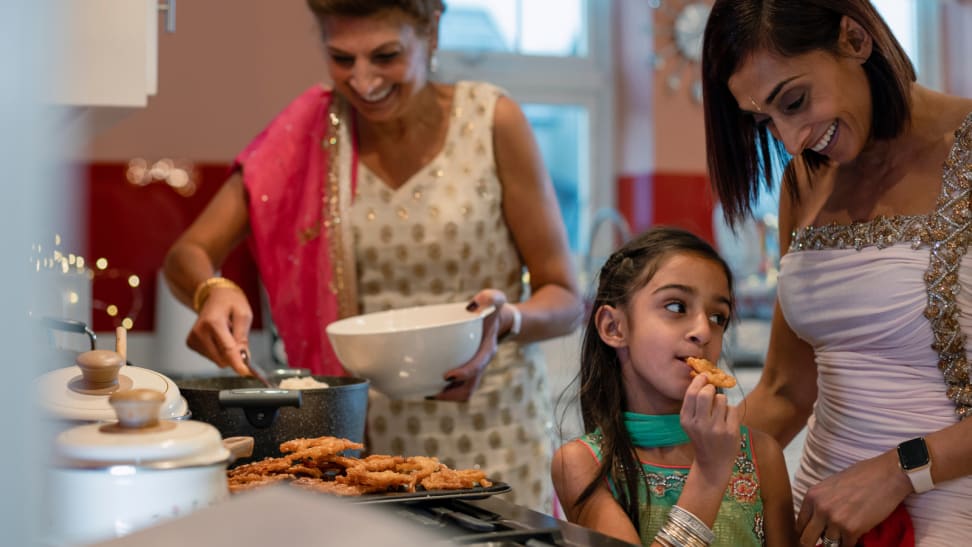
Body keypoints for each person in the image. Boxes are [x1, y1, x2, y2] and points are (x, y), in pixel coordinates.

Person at [162, 0, 583, 512]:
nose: (362, 80)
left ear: (430, 32)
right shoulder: (309, 132)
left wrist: (508, 319)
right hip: (360, 446)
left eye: (385, 55)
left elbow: (564, 297)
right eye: (342, 58)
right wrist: (213, 289)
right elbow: (187, 254)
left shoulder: (492, 121)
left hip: (496, 432)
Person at [701, 1, 972, 545]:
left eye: (795, 101)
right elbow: (784, 390)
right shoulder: (804, 182)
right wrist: (678, 470)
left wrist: (901, 469)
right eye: (765, 122)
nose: (790, 140)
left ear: (854, 39)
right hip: (816, 519)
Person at [551, 227, 797, 546]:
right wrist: (709, 475)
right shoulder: (582, 464)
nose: (703, 331)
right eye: (676, 307)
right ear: (613, 327)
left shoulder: (762, 456)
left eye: (717, 317)